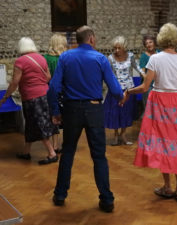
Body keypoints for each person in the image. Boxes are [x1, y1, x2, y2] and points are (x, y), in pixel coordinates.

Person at [121, 23, 177, 202]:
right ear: (176, 38)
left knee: (163, 145)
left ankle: (167, 187)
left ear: (161, 38)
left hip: (159, 102)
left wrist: (129, 91)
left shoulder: (156, 59)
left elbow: (145, 87)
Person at [47, 26, 124, 212]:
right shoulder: (100, 59)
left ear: (78, 40)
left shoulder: (65, 57)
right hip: (94, 109)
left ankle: (60, 194)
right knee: (99, 156)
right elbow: (114, 89)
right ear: (91, 39)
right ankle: (106, 200)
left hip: (71, 109)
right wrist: (121, 97)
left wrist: (55, 111)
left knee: (68, 153)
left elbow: (52, 88)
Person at [0, 37, 58, 165]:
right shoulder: (41, 58)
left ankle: (51, 153)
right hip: (44, 95)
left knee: (38, 124)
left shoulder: (21, 61)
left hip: (32, 97)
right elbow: (48, 77)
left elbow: (15, 82)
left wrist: (5, 97)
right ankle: (26, 152)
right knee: (32, 124)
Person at [103, 36, 145, 146]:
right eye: (115, 48)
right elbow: (109, 74)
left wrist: (145, 75)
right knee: (115, 113)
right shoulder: (110, 58)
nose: (116, 50)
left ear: (124, 47)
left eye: (119, 48)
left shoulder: (130, 56)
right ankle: (116, 135)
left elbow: (137, 67)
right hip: (116, 90)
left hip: (129, 89)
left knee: (126, 112)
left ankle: (123, 133)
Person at [44, 34, 68, 154]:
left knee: (53, 118)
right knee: (66, 119)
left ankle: (54, 146)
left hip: (49, 91)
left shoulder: (45, 58)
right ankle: (63, 144)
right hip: (64, 92)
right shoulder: (64, 58)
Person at [139, 35, 160, 107]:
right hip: (149, 86)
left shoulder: (160, 53)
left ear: (154, 43)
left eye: (150, 42)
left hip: (160, 85)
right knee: (149, 107)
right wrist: (149, 80)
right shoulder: (144, 56)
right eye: (146, 43)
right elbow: (142, 72)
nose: (148, 45)